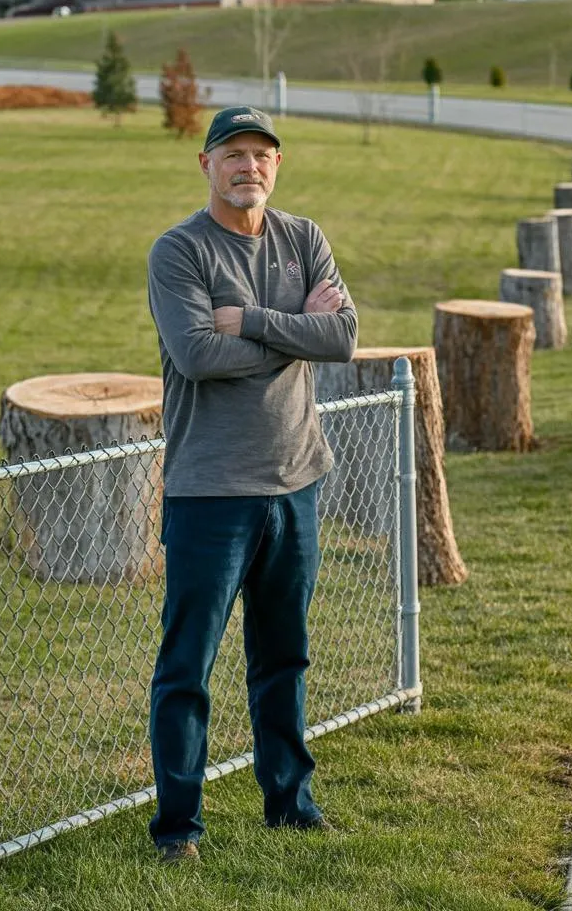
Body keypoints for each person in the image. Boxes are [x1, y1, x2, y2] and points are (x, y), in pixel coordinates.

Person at [146, 105, 358, 864]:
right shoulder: (179, 252)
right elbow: (198, 355)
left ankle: (290, 804)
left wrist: (256, 320)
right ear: (206, 164)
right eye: (232, 154)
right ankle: (178, 827)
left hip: (296, 482)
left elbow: (343, 336)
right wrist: (297, 329)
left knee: (284, 657)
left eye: (261, 154)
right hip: (211, 491)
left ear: (277, 164)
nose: (249, 167)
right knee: (188, 666)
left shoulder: (304, 238)